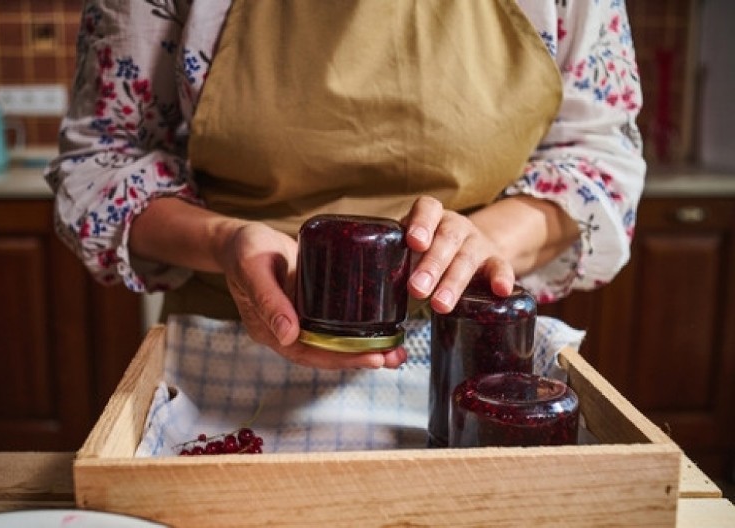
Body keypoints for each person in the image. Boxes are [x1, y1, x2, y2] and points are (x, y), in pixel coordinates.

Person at [45, 0, 645, 373]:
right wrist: (228, 243)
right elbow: (102, 164)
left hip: (469, 353)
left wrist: (483, 239)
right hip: (233, 347)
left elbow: (598, 160)